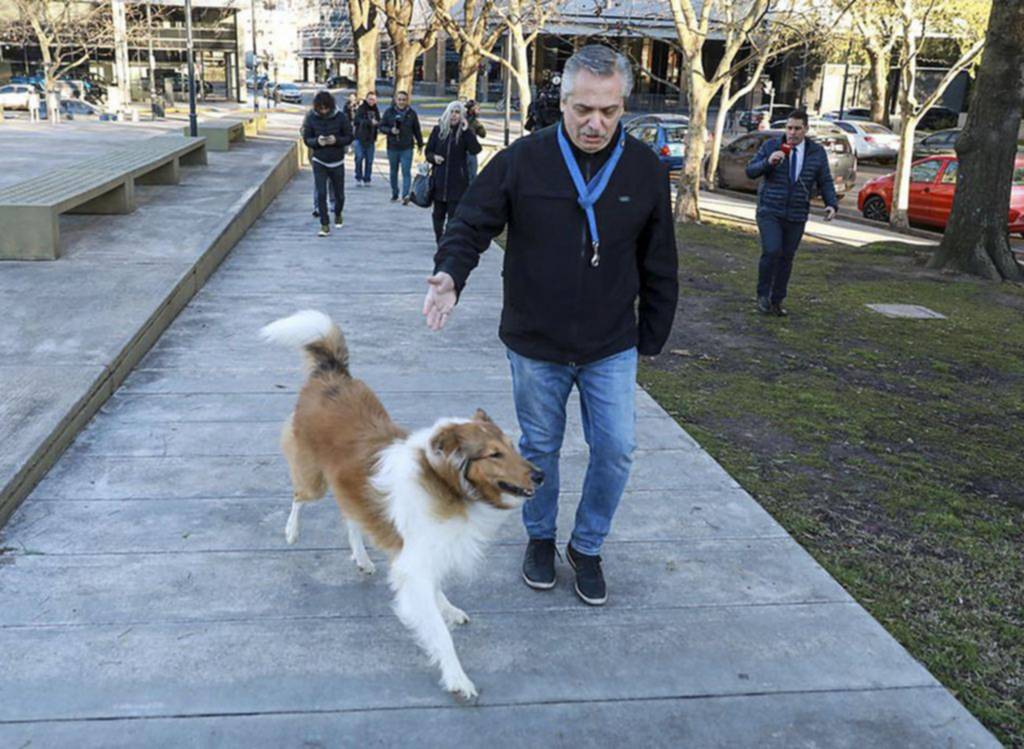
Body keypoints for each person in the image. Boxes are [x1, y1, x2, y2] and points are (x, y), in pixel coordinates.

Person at [423, 45, 678, 607]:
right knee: (541, 447)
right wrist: (450, 274)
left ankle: (586, 547)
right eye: (583, 108)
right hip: (536, 342)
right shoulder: (523, 160)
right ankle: (540, 539)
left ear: (623, 106)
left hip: (610, 342)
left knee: (616, 449)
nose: (595, 123)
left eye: (609, 111)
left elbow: (660, 258)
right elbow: (470, 221)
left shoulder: (644, 169)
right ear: (561, 101)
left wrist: (652, 333)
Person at [745, 109, 837, 317]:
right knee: (772, 251)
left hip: (796, 213)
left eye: (797, 129)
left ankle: (777, 300)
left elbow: (825, 180)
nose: (792, 133)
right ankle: (762, 296)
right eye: (789, 128)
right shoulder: (771, 146)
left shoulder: (816, 152)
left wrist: (831, 203)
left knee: (787, 257)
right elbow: (750, 171)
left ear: (805, 129)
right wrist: (768, 162)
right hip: (770, 210)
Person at [424, 101, 482, 243]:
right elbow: (428, 152)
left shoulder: (464, 133)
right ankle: (439, 238)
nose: (454, 115)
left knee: (453, 215)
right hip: (439, 179)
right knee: (438, 214)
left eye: (458, 112)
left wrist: (467, 131)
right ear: (447, 113)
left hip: (457, 181)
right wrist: (434, 158)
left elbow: (475, 150)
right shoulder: (438, 130)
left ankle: (448, 241)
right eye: (452, 112)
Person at [302, 90, 354, 237]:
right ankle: (324, 224)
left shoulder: (341, 117)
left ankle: (338, 213)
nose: (323, 111)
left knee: (339, 195)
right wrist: (316, 142)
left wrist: (336, 140)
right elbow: (307, 138)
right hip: (319, 160)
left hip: (337, 160)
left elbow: (349, 136)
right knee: (321, 193)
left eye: (326, 108)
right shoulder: (311, 117)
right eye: (320, 108)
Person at [380, 90, 424, 203]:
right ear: (395, 100)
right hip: (393, 147)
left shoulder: (411, 113)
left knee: (406, 171)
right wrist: (390, 130)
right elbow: (381, 127)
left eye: (403, 100)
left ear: (407, 101)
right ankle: (395, 193)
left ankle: (405, 195)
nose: (401, 102)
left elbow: (417, 130)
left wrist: (420, 144)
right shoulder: (389, 112)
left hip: (407, 147)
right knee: (393, 171)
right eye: (399, 99)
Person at [352, 90, 381, 187]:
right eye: (370, 99)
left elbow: (379, 122)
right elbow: (356, 120)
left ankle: (367, 178)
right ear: (366, 99)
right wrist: (369, 122)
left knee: (369, 160)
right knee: (359, 158)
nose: (372, 101)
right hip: (359, 138)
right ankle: (358, 177)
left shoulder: (376, 110)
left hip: (371, 138)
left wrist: (377, 124)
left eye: (373, 99)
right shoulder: (361, 108)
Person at [464, 99, 486, 182]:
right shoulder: (469, 121)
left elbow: (483, 134)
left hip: (471, 150)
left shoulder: (474, 122)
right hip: (468, 152)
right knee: (471, 175)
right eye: (476, 109)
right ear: (471, 110)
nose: (478, 111)